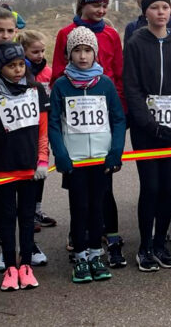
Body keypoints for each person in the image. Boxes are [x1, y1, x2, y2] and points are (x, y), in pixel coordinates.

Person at [49, 27, 126, 284]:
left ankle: (95, 253)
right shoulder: (61, 85)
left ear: (95, 53)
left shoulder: (105, 84)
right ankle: (80, 255)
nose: (83, 56)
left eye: (87, 50)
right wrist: (60, 154)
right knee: (79, 207)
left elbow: (118, 118)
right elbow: (53, 123)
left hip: (101, 159)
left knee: (97, 207)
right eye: (77, 51)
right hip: (75, 160)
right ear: (69, 54)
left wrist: (116, 151)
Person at [122, 0, 171, 271]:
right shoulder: (136, 42)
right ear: (145, 12)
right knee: (150, 187)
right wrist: (149, 124)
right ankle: (145, 247)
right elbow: (132, 87)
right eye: (155, 8)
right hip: (147, 131)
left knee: (169, 188)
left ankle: (161, 244)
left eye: (165, 7)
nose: (161, 12)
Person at [0, 42, 50, 291]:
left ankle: (26, 265)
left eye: (21, 65)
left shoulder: (36, 90)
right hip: (3, 169)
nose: (18, 70)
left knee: (27, 219)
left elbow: (42, 131)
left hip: (30, 169)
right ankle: (10, 266)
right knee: (6, 219)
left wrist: (42, 160)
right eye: (11, 66)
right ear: (0, 68)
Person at [18, 30, 55, 229]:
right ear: (23, 51)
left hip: (44, 126)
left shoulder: (48, 72)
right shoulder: (20, 72)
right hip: (26, 128)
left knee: (41, 167)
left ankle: (37, 209)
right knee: (26, 170)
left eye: (42, 51)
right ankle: (26, 212)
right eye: (35, 52)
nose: (40, 55)